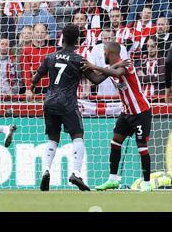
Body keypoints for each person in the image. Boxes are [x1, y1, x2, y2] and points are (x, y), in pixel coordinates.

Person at [29, 24, 109, 191]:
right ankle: (76, 173)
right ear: (78, 41)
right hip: (68, 103)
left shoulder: (50, 57)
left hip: (50, 101)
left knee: (52, 139)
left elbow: (35, 78)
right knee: (77, 136)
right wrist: (111, 70)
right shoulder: (79, 60)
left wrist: (33, 87)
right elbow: (95, 80)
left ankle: (46, 170)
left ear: (62, 38)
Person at [81, 42, 153, 192]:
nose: (103, 55)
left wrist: (93, 66)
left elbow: (118, 74)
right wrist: (86, 68)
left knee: (142, 148)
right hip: (127, 113)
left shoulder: (126, 65)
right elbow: (98, 78)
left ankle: (147, 183)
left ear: (110, 53)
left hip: (141, 112)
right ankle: (113, 179)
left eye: (105, 52)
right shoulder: (112, 68)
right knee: (115, 142)